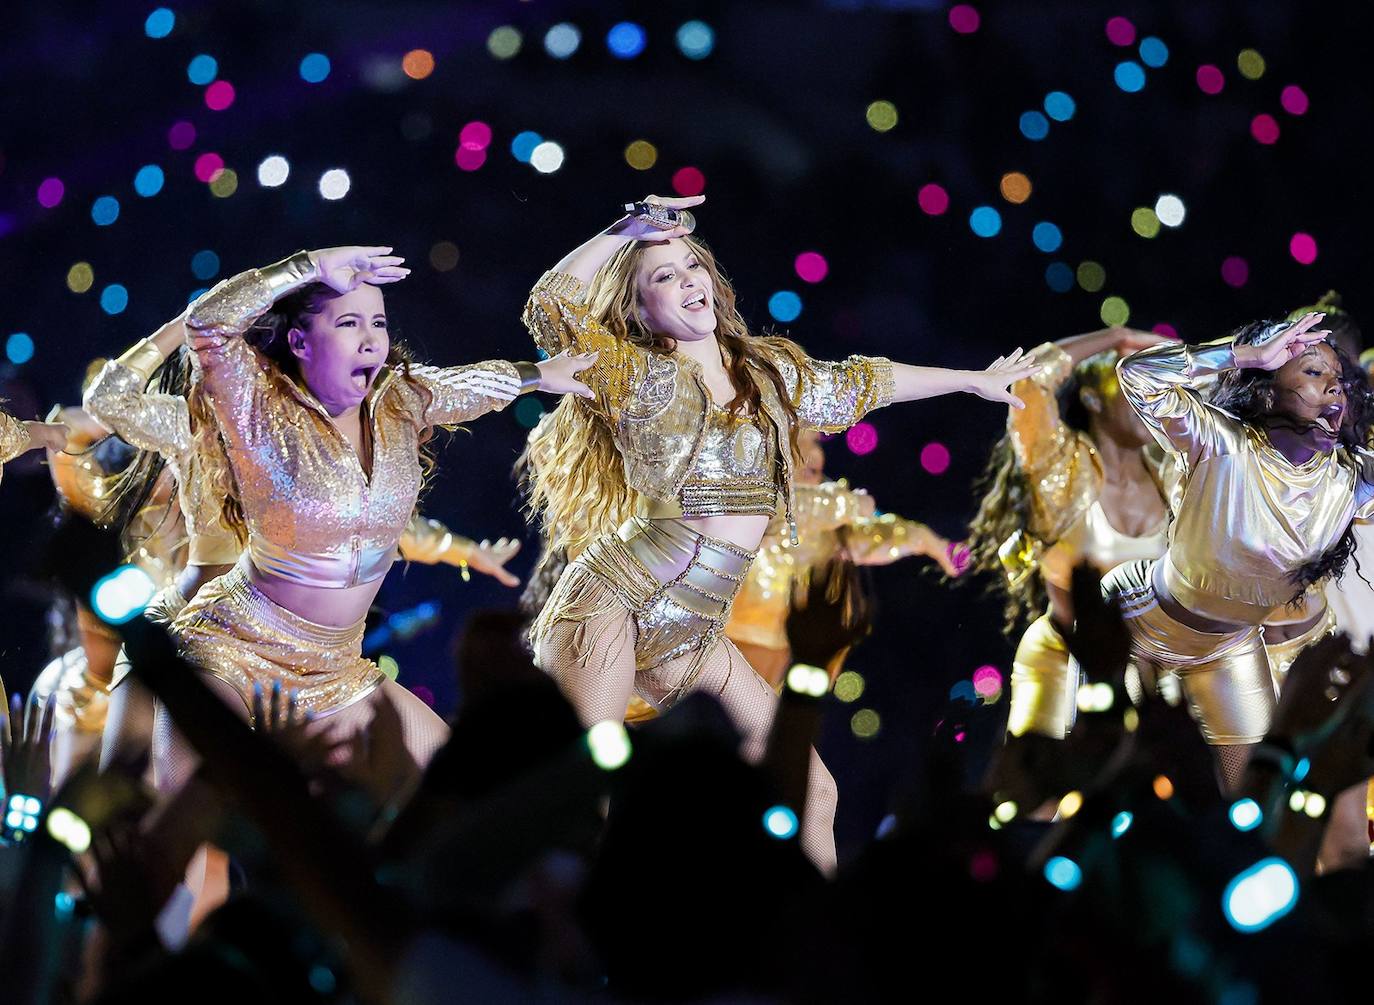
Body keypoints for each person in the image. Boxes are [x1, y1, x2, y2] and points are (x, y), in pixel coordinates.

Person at [521, 195, 1040, 868]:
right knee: (585, 807)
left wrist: (973, 381)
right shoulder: (634, 374)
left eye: (691, 266)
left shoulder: (771, 373)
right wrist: (626, 228)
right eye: (663, 277)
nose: (688, 282)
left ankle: (811, 955)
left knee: (814, 791)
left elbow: (864, 382)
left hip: (694, 630)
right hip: (616, 602)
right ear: (636, 309)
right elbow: (549, 307)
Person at [155, 245, 590, 789]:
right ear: (299, 341)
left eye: (379, 322)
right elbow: (209, 326)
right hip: (233, 654)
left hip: (338, 669)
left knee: (461, 794)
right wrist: (308, 266)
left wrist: (541, 374)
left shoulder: (399, 402)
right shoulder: (259, 404)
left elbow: (466, 386)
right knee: (189, 844)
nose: (371, 339)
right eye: (348, 322)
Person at [1105, 311, 1374, 788]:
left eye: (1338, 380)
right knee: (1116, 777)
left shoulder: (1348, 482)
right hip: (1135, 621)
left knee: (1251, 800)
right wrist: (1241, 354)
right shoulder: (1219, 440)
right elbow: (1137, 376)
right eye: (1313, 371)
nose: (1335, 387)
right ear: (1266, 387)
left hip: (1229, 648)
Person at [966, 327, 1173, 739]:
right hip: (1066, 659)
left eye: (1153, 387)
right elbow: (1031, 379)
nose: (1149, 399)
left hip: (1160, 665)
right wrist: (1117, 336)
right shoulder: (1060, 470)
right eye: (1132, 385)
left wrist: (1169, 353)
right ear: (1093, 398)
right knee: (1042, 799)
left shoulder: (1174, 474)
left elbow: (1222, 388)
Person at [725, 429, 957, 688]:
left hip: (792, 658)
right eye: (794, 440)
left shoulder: (832, 518)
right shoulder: (753, 500)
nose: (811, 453)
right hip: (727, 647)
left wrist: (926, 540)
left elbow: (875, 535)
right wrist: (852, 505)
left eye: (814, 441)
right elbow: (791, 509)